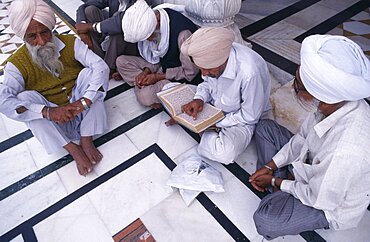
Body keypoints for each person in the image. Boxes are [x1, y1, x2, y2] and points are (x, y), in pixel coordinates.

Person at [249, 35, 370, 240]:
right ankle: (284, 187)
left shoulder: (346, 151)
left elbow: (319, 198)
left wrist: (275, 181)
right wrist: (270, 166)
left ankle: (281, 190)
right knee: (264, 128)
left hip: (327, 204)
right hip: (309, 170)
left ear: (320, 96)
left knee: (265, 220)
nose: (292, 87)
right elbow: (302, 139)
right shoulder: (331, 104)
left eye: (297, 85)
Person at [0, 0, 109, 176]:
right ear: (23, 37)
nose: (41, 41)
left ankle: (87, 138)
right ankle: (73, 148)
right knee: (24, 99)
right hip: (53, 120)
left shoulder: (70, 43)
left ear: (51, 28)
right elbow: (3, 101)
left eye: (45, 32)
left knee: (90, 75)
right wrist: (48, 112)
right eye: (32, 36)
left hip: (79, 107)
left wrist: (84, 102)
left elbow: (101, 67)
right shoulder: (16, 64)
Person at [181, 27, 271, 165]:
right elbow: (206, 83)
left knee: (223, 153)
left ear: (223, 60)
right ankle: (206, 132)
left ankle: (206, 131)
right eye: (201, 69)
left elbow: (250, 115)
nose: (204, 73)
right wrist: (199, 99)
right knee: (170, 89)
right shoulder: (213, 58)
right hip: (214, 105)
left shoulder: (249, 73)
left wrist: (215, 124)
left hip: (240, 119)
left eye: (208, 69)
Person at [116, 0, 200, 109]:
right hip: (161, 64)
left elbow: (190, 73)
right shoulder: (154, 17)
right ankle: (150, 87)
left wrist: (157, 77)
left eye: (147, 36)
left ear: (158, 21)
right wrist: (146, 71)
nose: (148, 40)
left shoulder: (183, 35)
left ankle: (153, 88)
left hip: (177, 74)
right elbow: (154, 58)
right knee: (121, 61)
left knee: (145, 97)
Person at [76, 0, 151, 79]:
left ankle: (108, 68)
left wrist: (91, 26)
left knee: (119, 26)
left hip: (131, 46)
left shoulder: (141, 2)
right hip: (111, 38)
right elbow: (83, 7)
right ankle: (97, 59)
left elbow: (120, 22)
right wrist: (83, 31)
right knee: (90, 10)